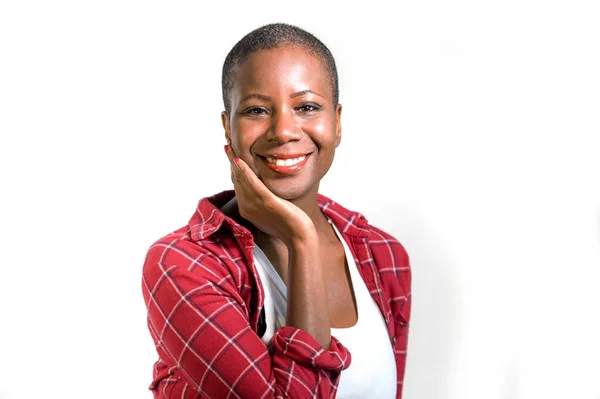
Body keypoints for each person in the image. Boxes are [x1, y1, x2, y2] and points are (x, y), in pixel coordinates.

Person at [142, 23, 411, 399]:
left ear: (337, 123)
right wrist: (302, 240)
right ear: (227, 127)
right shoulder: (183, 266)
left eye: (307, 107)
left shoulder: (382, 254)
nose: (284, 130)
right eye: (256, 110)